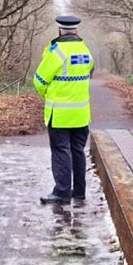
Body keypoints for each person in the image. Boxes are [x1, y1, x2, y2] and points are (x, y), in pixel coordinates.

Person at [33, 15, 94, 203]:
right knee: (78, 151)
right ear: (76, 30)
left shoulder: (56, 52)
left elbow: (39, 81)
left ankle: (62, 192)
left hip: (59, 115)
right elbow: (89, 73)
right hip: (81, 114)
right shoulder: (86, 50)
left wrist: (49, 94)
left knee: (61, 151)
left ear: (60, 30)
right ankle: (79, 192)